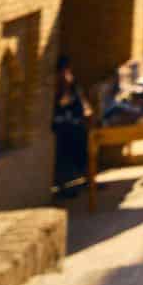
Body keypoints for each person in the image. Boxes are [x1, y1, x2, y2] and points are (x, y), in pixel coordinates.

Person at [51, 56, 90, 198]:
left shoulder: (72, 85)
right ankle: (62, 186)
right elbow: (58, 105)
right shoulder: (55, 85)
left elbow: (80, 103)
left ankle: (87, 178)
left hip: (72, 122)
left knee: (83, 136)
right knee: (66, 143)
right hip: (60, 124)